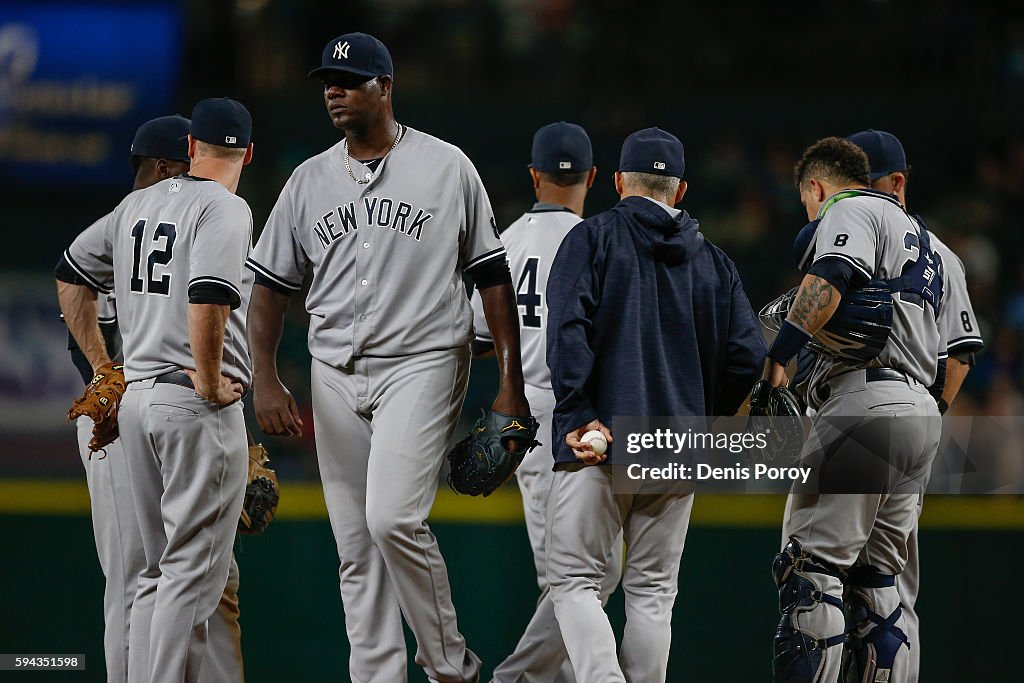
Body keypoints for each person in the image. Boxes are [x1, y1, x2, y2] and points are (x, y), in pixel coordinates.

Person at [245, 32, 528, 682]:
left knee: (392, 517)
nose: (335, 92)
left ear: (387, 87)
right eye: (328, 82)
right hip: (334, 374)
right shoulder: (308, 178)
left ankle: (449, 664)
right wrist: (265, 374)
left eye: (350, 80)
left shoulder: (446, 166)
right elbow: (268, 289)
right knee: (355, 548)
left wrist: (508, 383)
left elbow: (491, 278)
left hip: (423, 362)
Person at [544, 127, 765, 683]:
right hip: (678, 442)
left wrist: (576, 410)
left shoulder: (591, 238)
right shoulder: (715, 262)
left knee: (574, 582)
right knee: (651, 593)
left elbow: (567, 330)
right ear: (680, 189)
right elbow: (748, 356)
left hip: (603, 434)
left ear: (618, 181)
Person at [57, 98, 255, 683]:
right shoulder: (216, 208)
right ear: (180, 162)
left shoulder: (129, 213)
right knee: (168, 574)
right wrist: (211, 378)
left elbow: (70, 272)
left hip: (137, 399)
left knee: (166, 577)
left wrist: (103, 370)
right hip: (164, 402)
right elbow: (209, 297)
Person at [763, 137, 944, 683]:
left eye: (807, 202)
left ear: (816, 187)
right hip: (918, 409)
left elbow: (832, 276)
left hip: (865, 404)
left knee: (811, 572)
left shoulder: (854, 208)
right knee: (879, 586)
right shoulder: (926, 244)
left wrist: (780, 356)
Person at [469, 121, 622, 683]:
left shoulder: (503, 243)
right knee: (589, 579)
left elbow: (478, 340)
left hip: (525, 410)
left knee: (567, 580)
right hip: (587, 414)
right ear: (594, 178)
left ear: (533, 176)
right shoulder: (601, 240)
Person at [847, 129, 984, 683]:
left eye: (863, 183)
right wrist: (926, 412)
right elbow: (963, 353)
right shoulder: (945, 256)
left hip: (862, 409)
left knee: (828, 578)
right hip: (915, 419)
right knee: (891, 585)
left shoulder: (865, 235)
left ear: (895, 182)